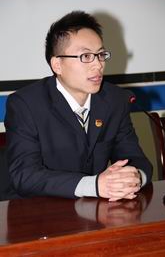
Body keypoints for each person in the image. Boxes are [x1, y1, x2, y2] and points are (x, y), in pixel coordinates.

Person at [5, 11, 152, 200]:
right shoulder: (25, 104)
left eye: (101, 55)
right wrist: (94, 186)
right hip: (39, 209)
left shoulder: (115, 100)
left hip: (97, 208)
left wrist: (134, 178)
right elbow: (25, 175)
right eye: (86, 56)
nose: (98, 65)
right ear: (57, 65)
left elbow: (135, 159)